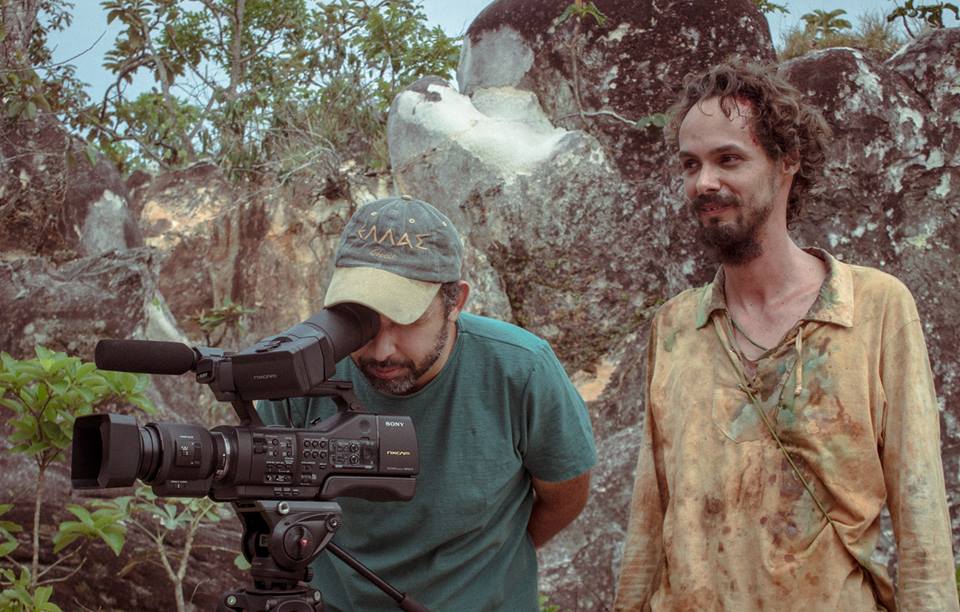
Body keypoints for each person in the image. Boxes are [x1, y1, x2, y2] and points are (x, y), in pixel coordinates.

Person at [613, 60, 959, 611]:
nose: (704, 182)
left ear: (787, 162)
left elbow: (920, 514)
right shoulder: (676, 326)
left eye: (729, 158)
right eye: (690, 164)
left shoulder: (873, 308)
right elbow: (650, 512)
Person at [259, 195, 597, 611]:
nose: (382, 350)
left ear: (454, 303)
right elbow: (270, 504)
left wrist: (483, 563)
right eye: (360, 320)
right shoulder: (300, 369)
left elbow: (565, 493)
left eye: (405, 320)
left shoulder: (520, 370)